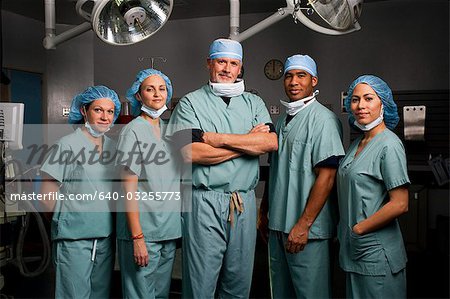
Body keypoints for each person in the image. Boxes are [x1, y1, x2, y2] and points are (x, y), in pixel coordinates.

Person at [166, 38, 278, 298]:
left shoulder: (253, 103)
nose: (227, 69)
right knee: (201, 283)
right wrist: (247, 142)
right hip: (204, 201)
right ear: (209, 64)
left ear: (240, 68)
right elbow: (190, 152)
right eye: (221, 61)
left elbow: (270, 142)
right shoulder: (190, 103)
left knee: (238, 282)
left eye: (233, 63)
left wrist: (215, 138)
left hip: (244, 203)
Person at [258, 54, 345, 298]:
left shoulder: (323, 120)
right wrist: (264, 211)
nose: (294, 81)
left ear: (314, 81)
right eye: (289, 76)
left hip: (307, 230)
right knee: (280, 291)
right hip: (277, 224)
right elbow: (275, 170)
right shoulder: (281, 121)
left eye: (301, 75)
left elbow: (326, 178)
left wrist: (303, 225)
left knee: (310, 293)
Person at [40, 85, 121, 298]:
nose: (105, 117)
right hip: (74, 238)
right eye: (98, 110)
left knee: (100, 294)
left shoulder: (115, 147)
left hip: (105, 236)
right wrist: (65, 220)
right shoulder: (66, 145)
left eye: (110, 111)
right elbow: (47, 192)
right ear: (84, 111)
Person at [337, 75, 409, 298]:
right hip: (354, 251)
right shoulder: (358, 143)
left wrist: (359, 229)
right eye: (355, 100)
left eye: (368, 98)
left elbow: (400, 204)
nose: (361, 106)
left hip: (376, 252)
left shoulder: (389, 145)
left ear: (383, 103)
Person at [115, 68, 181, 299]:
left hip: (167, 230)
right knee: (140, 294)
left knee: (160, 294)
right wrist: (137, 238)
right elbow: (128, 189)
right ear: (138, 96)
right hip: (143, 230)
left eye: (162, 89)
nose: (157, 94)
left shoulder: (169, 130)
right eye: (149, 89)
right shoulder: (132, 131)